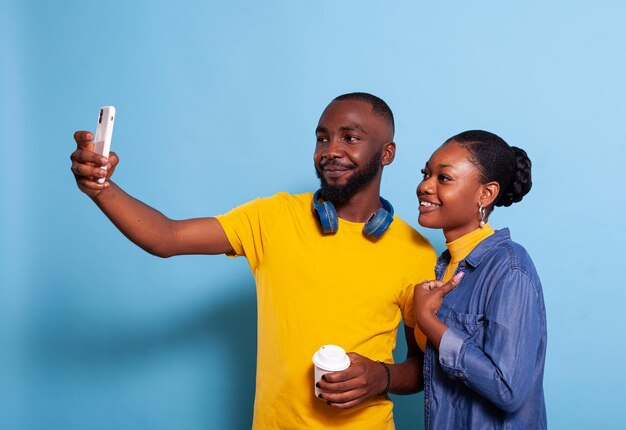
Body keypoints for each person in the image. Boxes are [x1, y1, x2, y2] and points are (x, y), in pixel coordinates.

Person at [70, 92, 437, 429]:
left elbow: (422, 370)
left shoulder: (415, 252)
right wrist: (100, 187)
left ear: (386, 153)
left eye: (350, 138)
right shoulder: (273, 218)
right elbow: (167, 237)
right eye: (322, 138)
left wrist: (380, 376)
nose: (331, 150)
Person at [411, 130, 547, 429]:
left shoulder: (510, 268)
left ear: (485, 194)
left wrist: (427, 319)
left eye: (443, 178)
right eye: (426, 174)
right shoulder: (441, 268)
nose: (424, 186)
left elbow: (507, 389)